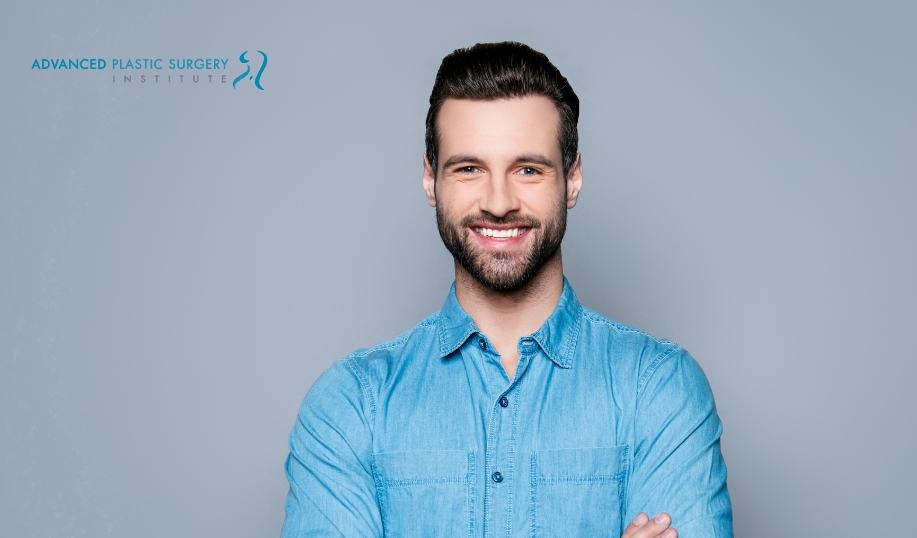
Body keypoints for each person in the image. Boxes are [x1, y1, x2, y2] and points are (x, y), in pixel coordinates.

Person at [281, 41, 732, 538]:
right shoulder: (350, 406)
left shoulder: (660, 390)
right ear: (431, 179)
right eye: (469, 169)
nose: (498, 203)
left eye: (528, 169)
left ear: (573, 179)